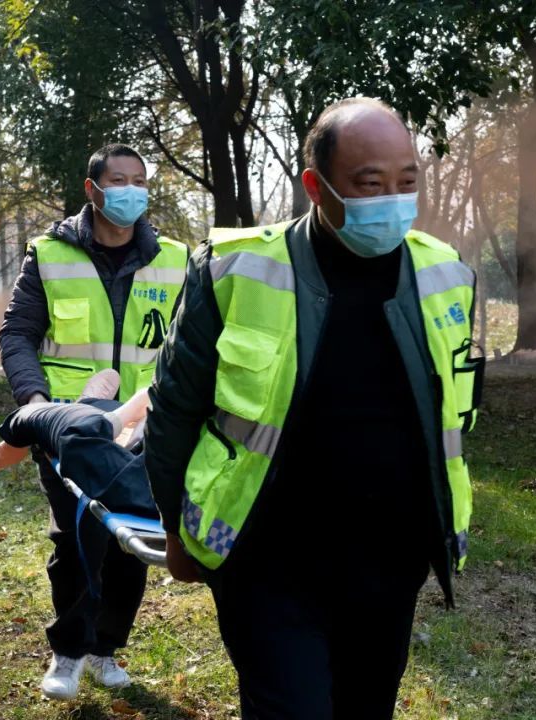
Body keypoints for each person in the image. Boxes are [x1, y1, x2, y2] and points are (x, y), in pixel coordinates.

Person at [144, 97, 483, 719]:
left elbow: (453, 415)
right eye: (369, 184)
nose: (392, 200)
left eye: (407, 181)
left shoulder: (446, 275)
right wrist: (174, 527)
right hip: (265, 557)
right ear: (315, 186)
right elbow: (173, 408)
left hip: (389, 560)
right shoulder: (234, 269)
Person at [0, 143, 187, 699]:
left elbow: (192, 345)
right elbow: (18, 334)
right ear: (93, 189)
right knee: (77, 538)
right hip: (71, 428)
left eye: (140, 181)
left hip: (146, 426)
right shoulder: (49, 254)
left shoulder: (175, 259)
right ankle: (68, 652)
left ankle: (105, 648)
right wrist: (36, 405)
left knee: (132, 539)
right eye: (119, 181)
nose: (131, 191)